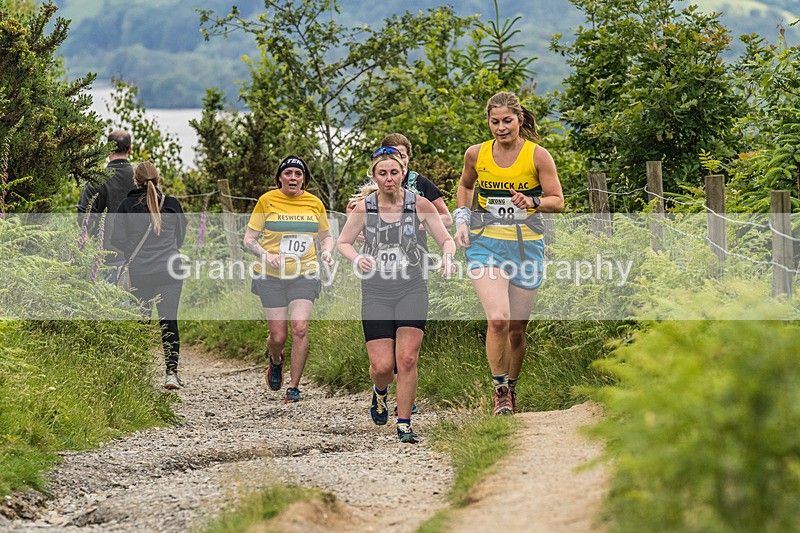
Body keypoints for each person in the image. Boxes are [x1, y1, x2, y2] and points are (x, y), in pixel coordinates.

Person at [453, 91, 564, 415]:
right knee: (498, 319)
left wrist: (533, 202)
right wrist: (461, 219)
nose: (501, 128)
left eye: (507, 121)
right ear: (488, 122)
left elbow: (557, 200)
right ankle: (499, 388)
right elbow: (465, 186)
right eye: (495, 122)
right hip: (485, 244)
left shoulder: (537, 156)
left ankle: (512, 386)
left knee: (517, 329)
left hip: (526, 246)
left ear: (519, 120)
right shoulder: (476, 154)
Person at [337, 146, 456, 443]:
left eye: (394, 173)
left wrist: (447, 257)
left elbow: (446, 240)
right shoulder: (366, 207)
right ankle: (380, 392)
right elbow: (343, 242)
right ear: (374, 177)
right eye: (382, 173)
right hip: (376, 290)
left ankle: (404, 424)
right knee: (381, 367)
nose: (389, 178)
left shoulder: (420, 205)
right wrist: (355, 258)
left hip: (412, 287)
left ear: (403, 174)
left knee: (406, 359)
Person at [243, 155, 335, 403]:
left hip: (305, 272)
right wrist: (265, 254)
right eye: (288, 174)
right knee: (278, 337)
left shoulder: (314, 203)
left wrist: (326, 251)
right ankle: (276, 360)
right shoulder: (267, 201)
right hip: (270, 275)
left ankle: (294, 387)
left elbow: (326, 236)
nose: (293, 178)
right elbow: (249, 239)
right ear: (279, 177)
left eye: (298, 174)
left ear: (304, 179)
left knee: (300, 327)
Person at [110, 161, 187, 390]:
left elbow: (117, 240)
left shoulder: (126, 206)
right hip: (170, 272)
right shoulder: (172, 204)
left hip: (140, 273)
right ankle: (171, 374)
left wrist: (134, 253)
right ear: (158, 179)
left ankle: (139, 373)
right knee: (169, 321)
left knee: (141, 322)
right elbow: (180, 239)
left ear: (136, 181)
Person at [77, 129, 135, 282]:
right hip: (137, 258)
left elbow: (84, 219)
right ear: (130, 149)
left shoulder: (96, 180)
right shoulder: (141, 179)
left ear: (108, 149)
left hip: (103, 257)